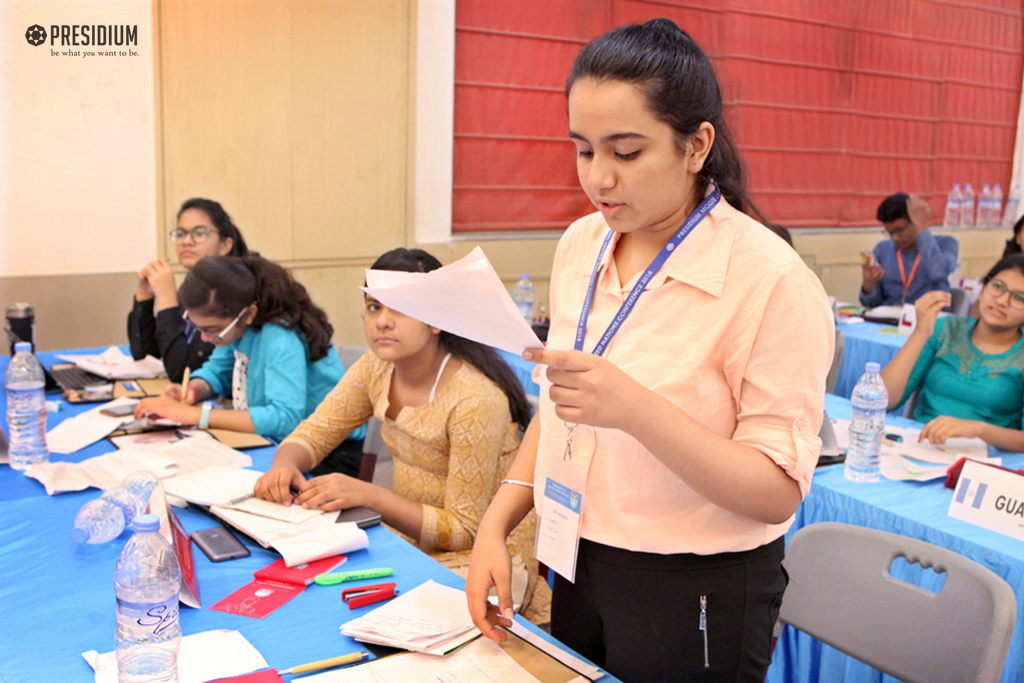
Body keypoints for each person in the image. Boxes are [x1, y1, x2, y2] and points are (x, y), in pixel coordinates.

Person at [464, 19, 833, 683]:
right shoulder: (582, 243)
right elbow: (562, 398)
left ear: (697, 146)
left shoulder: (770, 279)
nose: (599, 178)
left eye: (627, 152)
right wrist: (498, 521)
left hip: (696, 583)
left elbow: (777, 491)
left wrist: (635, 409)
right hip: (579, 553)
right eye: (583, 150)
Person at [253, 248, 551, 622]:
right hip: (413, 544)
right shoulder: (378, 366)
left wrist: (368, 495)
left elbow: (466, 531)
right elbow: (315, 433)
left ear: (437, 320)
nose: (382, 321)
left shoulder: (474, 399)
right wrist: (284, 465)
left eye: (400, 308)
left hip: (488, 563)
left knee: (338, 605)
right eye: (374, 306)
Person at [133, 254, 346, 443]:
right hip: (283, 441)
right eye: (198, 328)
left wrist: (197, 415)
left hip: (328, 450)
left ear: (248, 314)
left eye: (212, 330)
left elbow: (285, 418)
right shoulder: (240, 328)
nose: (204, 338)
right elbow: (217, 371)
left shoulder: (280, 338)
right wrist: (194, 390)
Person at [880, 254, 1024, 451]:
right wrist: (920, 332)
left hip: (985, 460)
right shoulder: (946, 329)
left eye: (1019, 298)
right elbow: (883, 400)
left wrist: (979, 430)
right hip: (921, 448)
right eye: (998, 287)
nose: (1002, 301)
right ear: (982, 289)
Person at [128, 198, 249, 383]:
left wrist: (167, 299)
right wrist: (144, 298)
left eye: (199, 233)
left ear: (225, 244)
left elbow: (182, 372)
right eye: (181, 233)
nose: (186, 241)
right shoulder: (194, 284)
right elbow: (145, 358)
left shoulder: (234, 291)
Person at [860, 193, 959, 307]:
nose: (895, 238)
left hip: (930, 315)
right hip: (892, 316)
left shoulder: (946, 243)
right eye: (890, 232)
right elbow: (871, 305)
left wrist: (922, 227)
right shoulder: (882, 249)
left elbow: (939, 273)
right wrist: (868, 286)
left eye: (900, 230)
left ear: (916, 221)